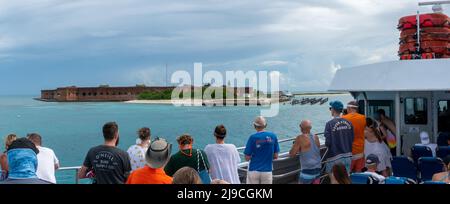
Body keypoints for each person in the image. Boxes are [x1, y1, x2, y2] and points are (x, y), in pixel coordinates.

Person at [244, 116, 280, 184]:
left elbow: (247, 158)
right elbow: (276, 156)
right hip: (267, 171)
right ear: (265, 125)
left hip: (253, 170)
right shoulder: (273, 136)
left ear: (254, 126)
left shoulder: (252, 137)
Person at [324, 101, 354, 174]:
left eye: (330, 108)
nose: (330, 110)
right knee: (345, 178)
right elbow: (352, 138)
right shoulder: (349, 123)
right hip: (348, 155)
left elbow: (328, 142)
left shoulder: (329, 124)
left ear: (333, 110)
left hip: (335, 157)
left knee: (334, 179)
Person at [289, 120, 321, 184]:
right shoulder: (316, 137)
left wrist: (295, 144)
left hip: (307, 172)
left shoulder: (300, 138)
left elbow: (291, 154)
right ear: (310, 128)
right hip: (317, 170)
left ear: (301, 127)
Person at [342, 101, 366, 173]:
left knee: (347, 173)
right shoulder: (363, 117)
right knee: (358, 172)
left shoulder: (343, 118)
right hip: (360, 150)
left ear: (349, 108)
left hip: (349, 151)